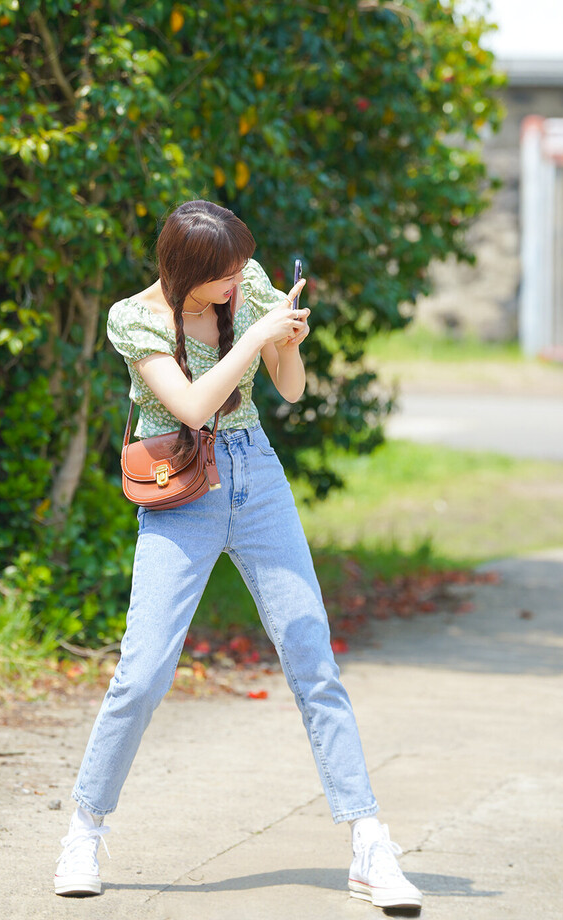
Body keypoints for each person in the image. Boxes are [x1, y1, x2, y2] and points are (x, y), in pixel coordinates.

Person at [54, 199, 422, 911]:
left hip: (257, 478)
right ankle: (84, 831)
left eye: (239, 269)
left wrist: (284, 341)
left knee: (312, 655)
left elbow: (289, 388)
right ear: (185, 269)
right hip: (181, 490)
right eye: (221, 273)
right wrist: (254, 336)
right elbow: (191, 408)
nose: (236, 280)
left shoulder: (246, 282)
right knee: (143, 669)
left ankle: (370, 843)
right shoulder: (135, 319)